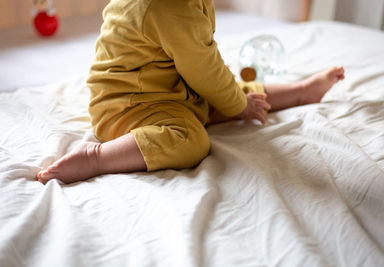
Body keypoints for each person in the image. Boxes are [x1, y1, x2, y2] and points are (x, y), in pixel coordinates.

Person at [36, 0, 345, 184]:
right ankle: (96, 157)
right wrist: (237, 105)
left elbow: (200, 62)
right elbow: (204, 68)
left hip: (171, 87)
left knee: (231, 91)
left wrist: (233, 99)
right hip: (129, 106)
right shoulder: (171, 6)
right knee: (193, 136)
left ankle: (302, 91)